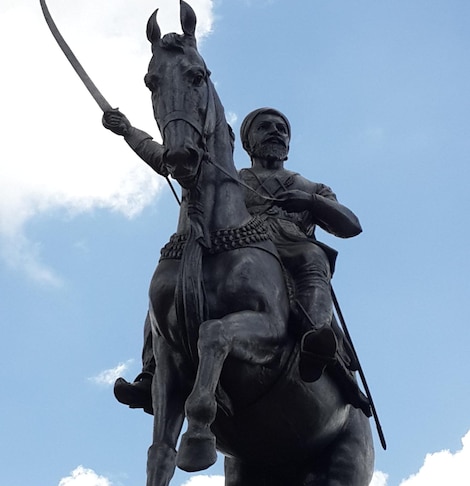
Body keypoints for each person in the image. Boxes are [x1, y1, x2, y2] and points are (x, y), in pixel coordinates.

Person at [104, 108, 370, 415]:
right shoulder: (228, 175)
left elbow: (351, 226)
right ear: (248, 141)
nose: (276, 131)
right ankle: (151, 372)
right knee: (171, 283)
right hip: (234, 249)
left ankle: (315, 340)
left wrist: (310, 202)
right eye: (265, 127)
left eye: (282, 128)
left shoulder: (313, 188)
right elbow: (168, 159)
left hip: (290, 248)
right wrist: (128, 131)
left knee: (314, 256)